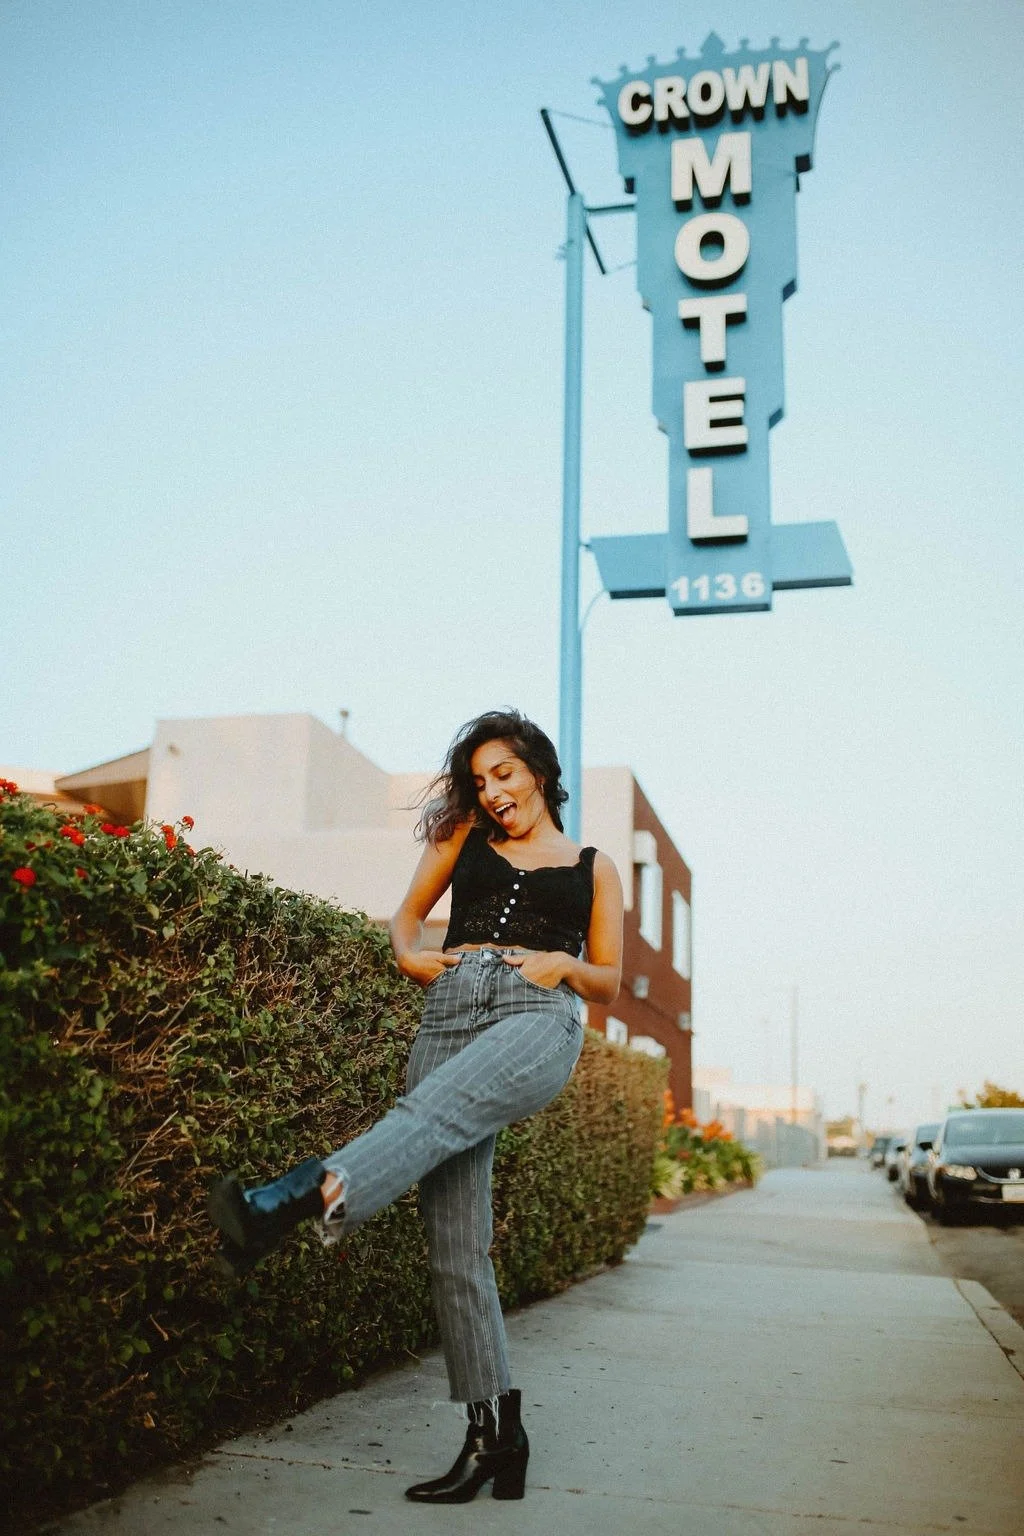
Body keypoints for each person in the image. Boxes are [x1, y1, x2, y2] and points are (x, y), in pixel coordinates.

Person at [207, 709, 623, 1503]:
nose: (494, 792)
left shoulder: (594, 865)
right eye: (480, 781)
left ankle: (296, 1198)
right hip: (450, 1011)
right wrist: (411, 956)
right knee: (455, 1250)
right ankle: (497, 1437)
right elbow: (406, 918)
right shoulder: (461, 839)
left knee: (423, 1121)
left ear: (539, 768)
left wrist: (558, 965)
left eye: (504, 773)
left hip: (536, 1020)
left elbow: (607, 979)